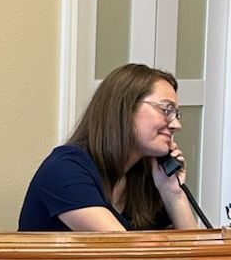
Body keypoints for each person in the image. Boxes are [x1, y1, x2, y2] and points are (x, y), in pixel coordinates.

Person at [18, 63, 199, 232]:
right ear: (125, 108)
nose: (176, 124)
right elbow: (122, 252)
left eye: (176, 114)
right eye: (166, 110)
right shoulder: (65, 168)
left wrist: (173, 193)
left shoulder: (147, 175)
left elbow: (195, 256)